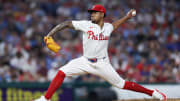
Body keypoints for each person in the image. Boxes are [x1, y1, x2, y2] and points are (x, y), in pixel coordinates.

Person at [34, 4, 166, 101]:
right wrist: (50, 34)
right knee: (62, 71)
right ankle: (46, 99)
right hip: (85, 61)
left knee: (122, 84)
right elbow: (67, 23)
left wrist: (127, 17)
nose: (92, 14)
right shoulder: (86, 25)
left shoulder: (108, 27)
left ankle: (153, 92)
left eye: (95, 12)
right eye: (91, 12)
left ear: (102, 14)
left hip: (102, 63)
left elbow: (116, 24)